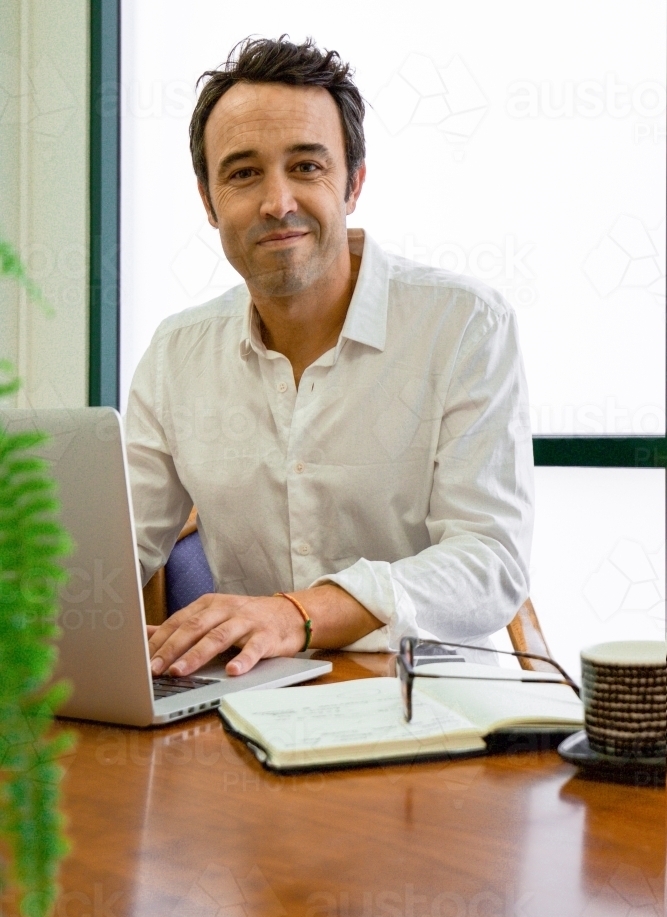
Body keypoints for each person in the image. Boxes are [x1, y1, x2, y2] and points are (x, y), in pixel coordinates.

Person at [126, 36, 534, 679]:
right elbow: (108, 553)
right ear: (208, 201)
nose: (277, 202)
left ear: (354, 184)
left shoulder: (463, 325)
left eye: (307, 167)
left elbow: (489, 563)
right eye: (243, 172)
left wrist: (299, 612)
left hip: (431, 702)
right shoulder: (176, 354)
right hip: (247, 706)